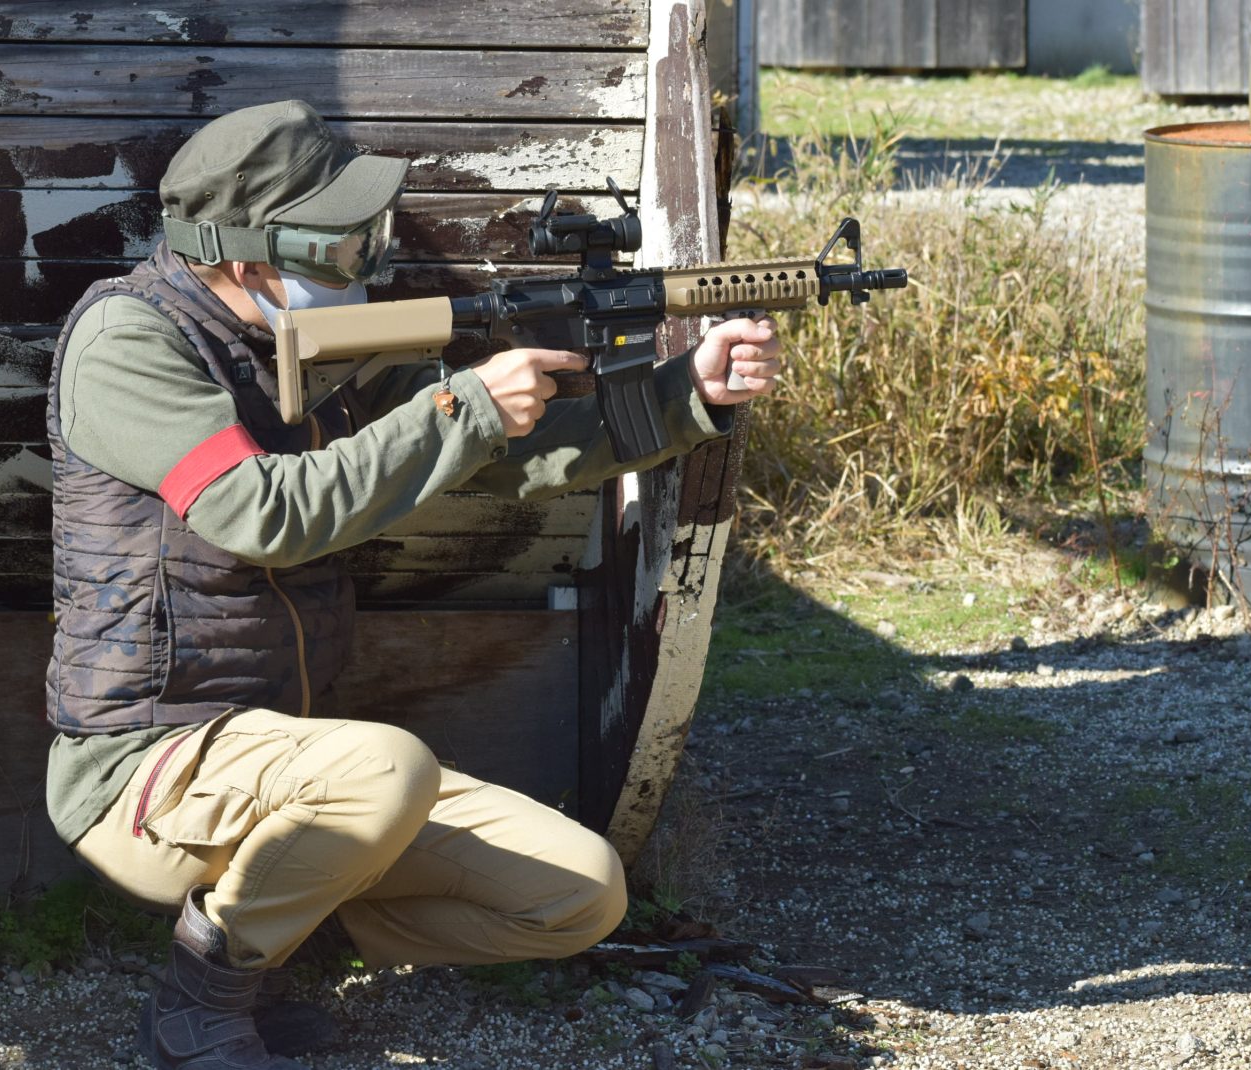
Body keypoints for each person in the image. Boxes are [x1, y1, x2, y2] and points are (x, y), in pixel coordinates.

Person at [43, 99, 782, 1070]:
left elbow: (505, 454)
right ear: (251, 260)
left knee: (580, 892)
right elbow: (263, 511)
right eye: (342, 245)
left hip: (288, 771)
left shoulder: (316, 349)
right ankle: (199, 1000)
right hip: (146, 767)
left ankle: (282, 943)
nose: (365, 264)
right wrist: (463, 405)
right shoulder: (129, 341)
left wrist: (688, 391)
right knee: (389, 766)